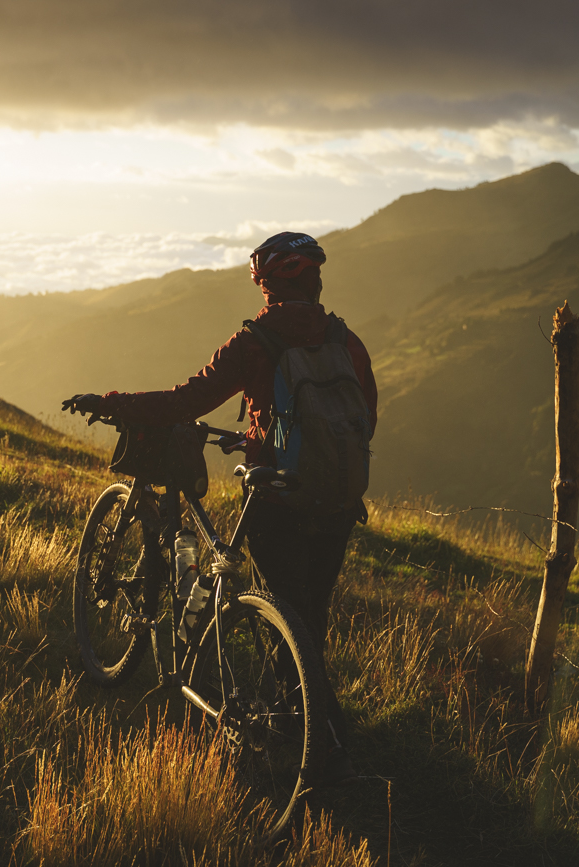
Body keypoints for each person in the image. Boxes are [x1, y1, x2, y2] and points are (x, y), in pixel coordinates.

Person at [62, 231, 377, 786]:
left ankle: (323, 757)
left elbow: (187, 400)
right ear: (314, 280)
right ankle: (306, 731)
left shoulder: (256, 341)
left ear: (268, 284)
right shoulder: (345, 339)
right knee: (309, 623)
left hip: (280, 497)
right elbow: (362, 416)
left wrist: (110, 402)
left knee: (287, 622)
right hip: (337, 499)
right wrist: (269, 436)